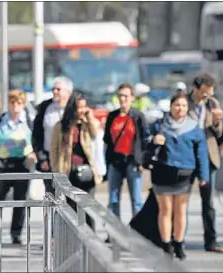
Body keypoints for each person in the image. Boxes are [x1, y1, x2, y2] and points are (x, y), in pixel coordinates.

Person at [149, 92, 209, 260]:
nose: (180, 108)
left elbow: (201, 153)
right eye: (177, 105)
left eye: (183, 105)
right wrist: (154, 139)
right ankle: (166, 244)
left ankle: (179, 243)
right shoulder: (159, 125)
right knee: (165, 210)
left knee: (181, 210)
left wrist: (203, 175)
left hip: (184, 174)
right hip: (162, 172)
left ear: (187, 108)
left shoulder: (194, 127)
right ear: (170, 107)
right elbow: (145, 140)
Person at [0, 89, 36, 244]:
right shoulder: (0, 119)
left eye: (19, 103)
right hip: (3, 164)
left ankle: (16, 234)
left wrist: (33, 155)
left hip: (23, 164)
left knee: (20, 200)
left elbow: (36, 141)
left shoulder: (29, 121)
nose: (15, 106)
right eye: (12, 102)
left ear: (24, 104)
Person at [186, 74, 223, 253]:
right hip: (186, 156)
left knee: (208, 202)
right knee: (180, 200)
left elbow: (218, 135)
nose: (206, 97)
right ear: (195, 88)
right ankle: (175, 239)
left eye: (209, 94)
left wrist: (218, 123)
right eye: (203, 94)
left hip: (208, 157)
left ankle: (211, 241)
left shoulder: (213, 104)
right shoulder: (183, 103)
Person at [49, 92, 101, 230]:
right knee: (71, 208)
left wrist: (89, 116)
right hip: (68, 170)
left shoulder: (86, 124)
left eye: (84, 107)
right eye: (79, 108)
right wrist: (56, 171)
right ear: (72, 108)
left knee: (89, 207)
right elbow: (53, 150)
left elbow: (95, 134)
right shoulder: (61, 126)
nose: (81, 111)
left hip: (86, 171)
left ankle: (91, 241)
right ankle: (74, 241)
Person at [103, 83, 148, 220]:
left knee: (136, 200)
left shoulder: (138, 116)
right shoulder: (112, 116)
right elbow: (107, 140)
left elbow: (144, 140)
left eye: (126, 96)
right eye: (120, 96)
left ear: (132, 97)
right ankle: (114, 234)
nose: (123, 99)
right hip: (115, 160)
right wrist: (106, 161)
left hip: (133, 161)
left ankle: (137, 233)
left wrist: (142, 161)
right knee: (113, 200)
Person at [32, 76, 73, 194]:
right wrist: (41, 158)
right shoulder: (45, 108)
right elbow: (36, 135)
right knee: (51, 196)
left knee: (71, 199)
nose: (55, 92)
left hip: (69, 159)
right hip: (49, 158)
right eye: (53, 89)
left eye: (58, 89)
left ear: (67, 92)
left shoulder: (74, 109)